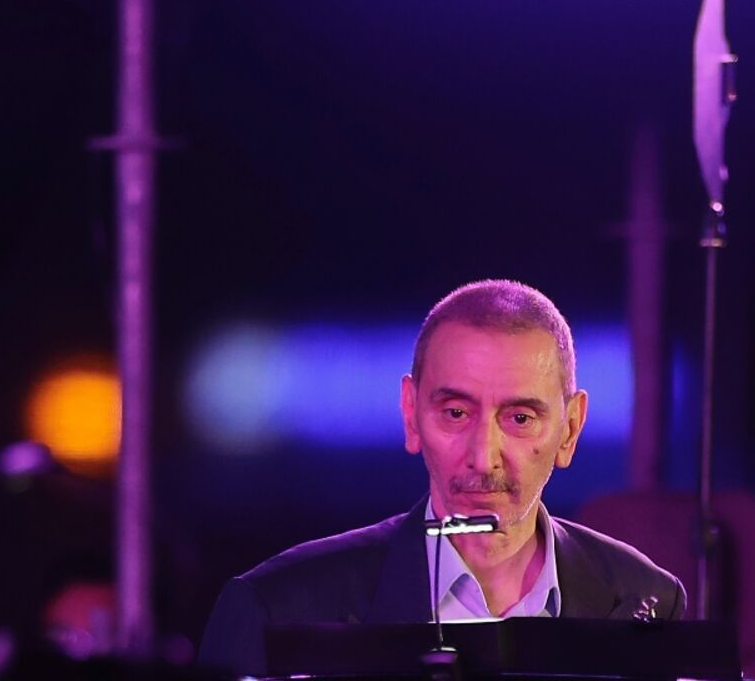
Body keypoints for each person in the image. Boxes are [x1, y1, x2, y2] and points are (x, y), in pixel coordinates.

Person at [197, 280, 685, 676]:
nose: (483, 457)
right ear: (411, 415)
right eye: (455, 412)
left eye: (519, 419)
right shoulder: (277, 611)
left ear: (570, 429)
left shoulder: (647, 600)